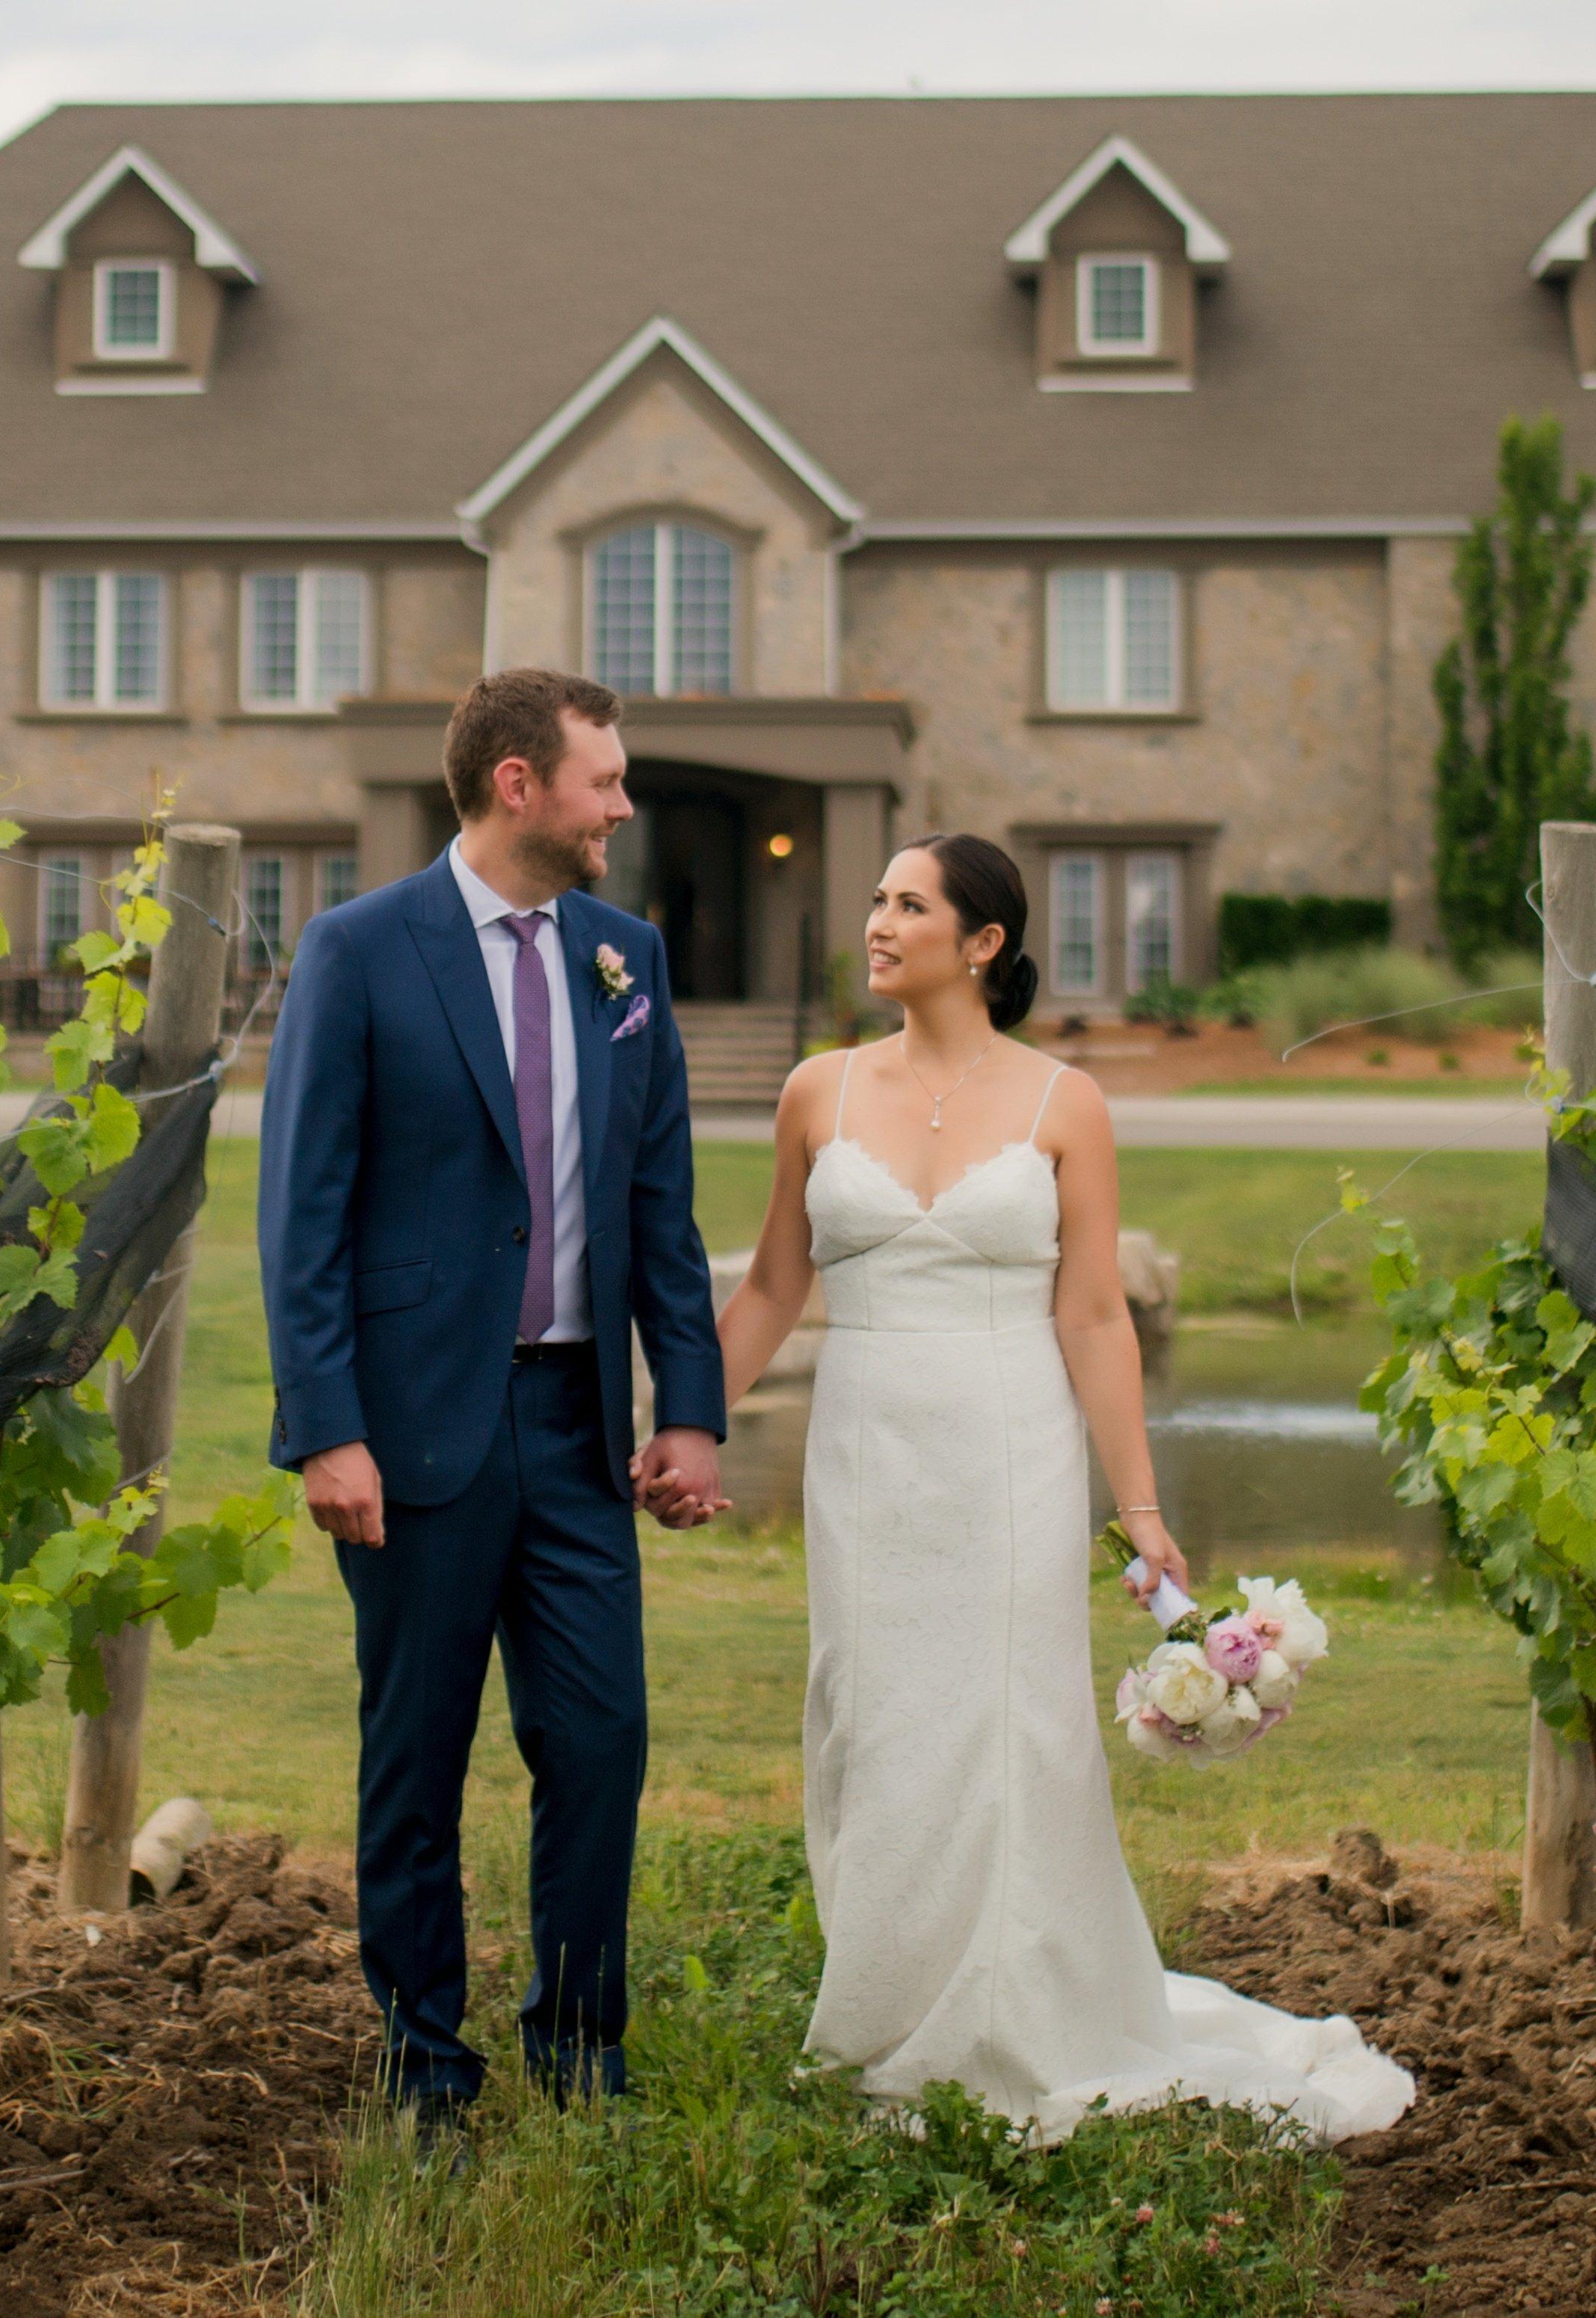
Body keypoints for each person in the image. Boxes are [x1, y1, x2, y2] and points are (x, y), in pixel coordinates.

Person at [700, 831, 1414, 2141]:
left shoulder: (1061, 1102)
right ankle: (881, 2016)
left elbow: (1093, 1317)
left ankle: (1025, 2017)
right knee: (873, 1721)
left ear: (981, 942)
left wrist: (1142, 1515)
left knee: (1010, 1731)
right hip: (866, 1454)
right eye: (875, 899)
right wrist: (686, 1424)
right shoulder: (817, 1089)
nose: (876, 920)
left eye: (907, 903)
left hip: (1010, 1451)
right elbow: (771, 1290)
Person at [257, 668, 729, 2117]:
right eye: (605, 778)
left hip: (580, 1434)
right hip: (411, 1440)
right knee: (417, 1760)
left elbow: (662, 1203)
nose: (623, 805)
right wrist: (327, 1426)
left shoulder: (624, 955)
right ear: (519, 783)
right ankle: (428, 2072)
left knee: (598, 1742)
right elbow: (302, 1209)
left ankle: (580, 2048)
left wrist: (689, 1403)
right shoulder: (357, 949)